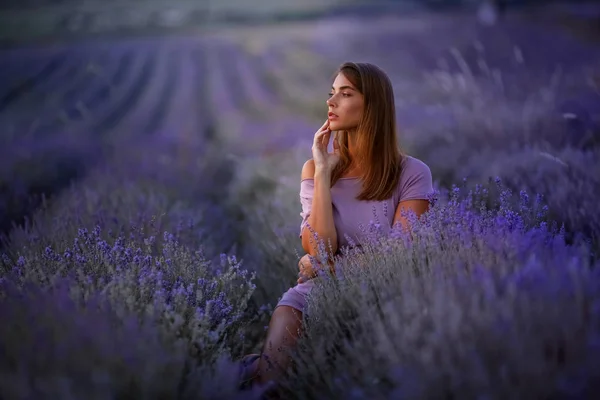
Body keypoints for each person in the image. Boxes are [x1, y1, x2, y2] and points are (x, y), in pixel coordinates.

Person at [239, 62, 434, 394]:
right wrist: (322, 175)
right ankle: (250, 370)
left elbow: (398, 254)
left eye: (345, 94)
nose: (331, 102)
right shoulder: (316, 168)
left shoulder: (412, 173)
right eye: (332, 94)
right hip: (313, 295)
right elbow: (318, 247)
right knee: (269, 387)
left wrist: (326, 267)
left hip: (386, 298)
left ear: (373, 106)